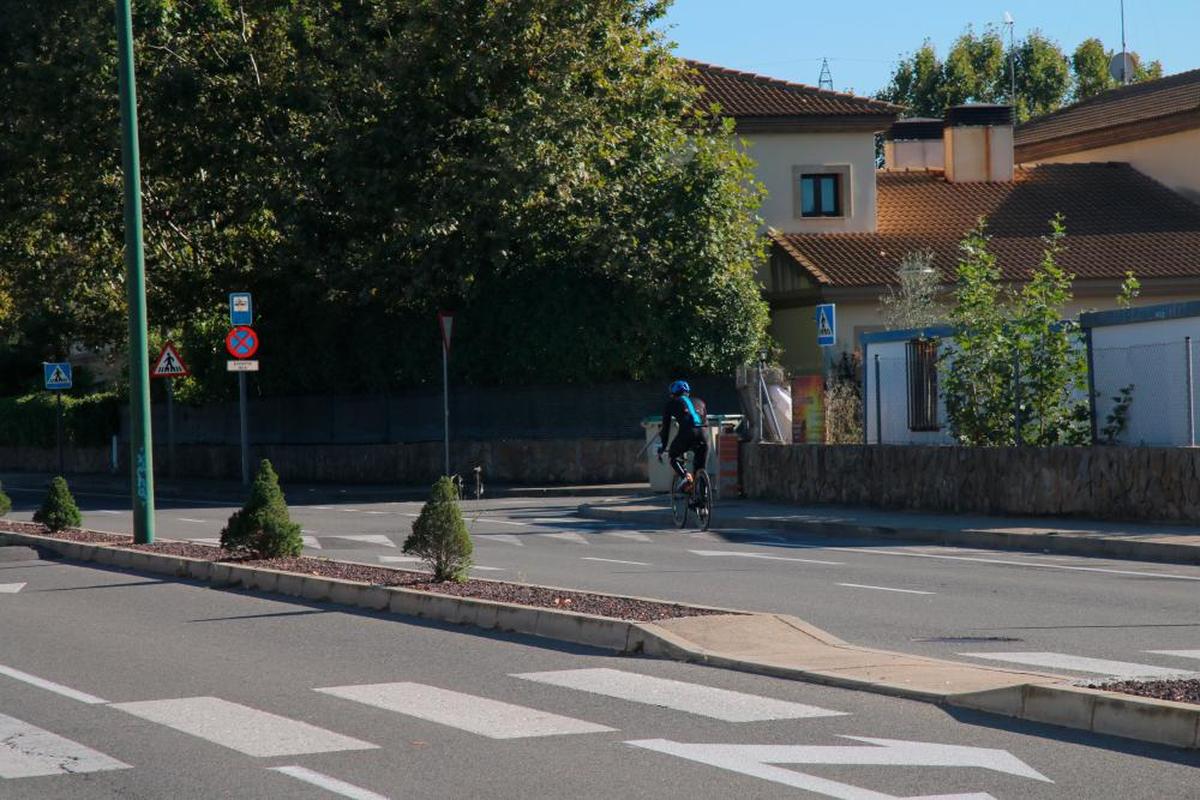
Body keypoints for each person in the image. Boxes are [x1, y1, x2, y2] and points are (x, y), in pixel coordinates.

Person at [657, 380, 708, 493]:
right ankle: (702, 501)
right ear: (688, 392)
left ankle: (685, 476)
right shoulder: (700, 402)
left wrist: (663, 446)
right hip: (704, 434)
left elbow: (666, 429)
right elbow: (704, 421)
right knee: (700, 468)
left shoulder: (671, 404)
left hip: (687, 433)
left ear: (673, 394)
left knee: (673, 456)